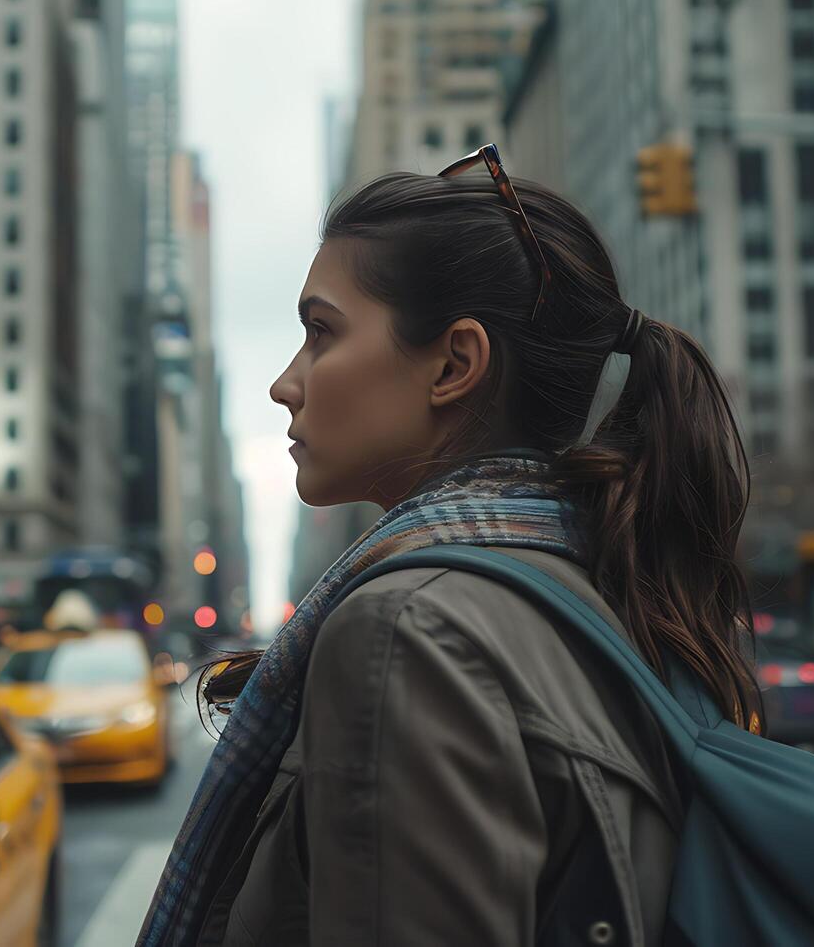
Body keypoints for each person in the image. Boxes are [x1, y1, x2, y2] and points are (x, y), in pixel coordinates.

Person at [139, 146, 759, 947]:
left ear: (454, 364)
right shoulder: (603, 583)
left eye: (321, 333)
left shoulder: (406, 631)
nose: (284, 382)